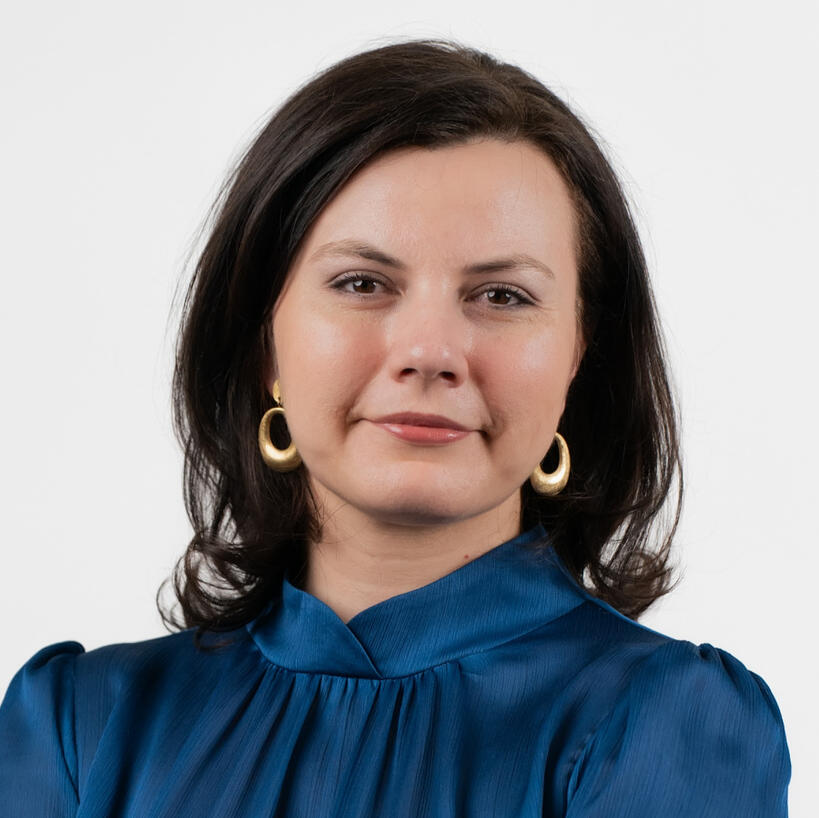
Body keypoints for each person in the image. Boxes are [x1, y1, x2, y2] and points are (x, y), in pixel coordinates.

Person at [0, 38, 791, 817]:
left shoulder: (665, 726)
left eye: (502, 296)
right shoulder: (80, 726)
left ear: (579, 357)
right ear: (262, 340)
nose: (429, 352)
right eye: (361, 283)